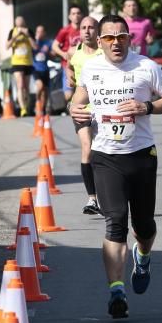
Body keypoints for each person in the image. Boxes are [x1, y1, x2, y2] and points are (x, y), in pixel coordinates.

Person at [70, 15, 162, 319]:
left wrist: (147, 107)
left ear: (130, 39)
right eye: (109, 38)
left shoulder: (145, 66)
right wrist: (74, 108)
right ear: (99, 42)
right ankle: (116, 290)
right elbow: (78, 99)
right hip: (105, 156)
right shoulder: (91, 67)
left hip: (142, 154)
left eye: (121, 37)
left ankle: (142, 257)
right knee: (115, 221)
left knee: (143, 225)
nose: (115, 43)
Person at [65, 15, 102, 215]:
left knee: (102, 150)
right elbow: (69, 67)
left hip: (104, 109)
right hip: (81, 109)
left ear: (97, 31)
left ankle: (107, 193)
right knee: (87, 147)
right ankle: (92, 199)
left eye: (91, 27)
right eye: (83, 27)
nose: (87, 31)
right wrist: (69, 79)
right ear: (79, 31)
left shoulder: (104, 53)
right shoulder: (74, 52)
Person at [52, 5, 85, 97]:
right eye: (73, 14)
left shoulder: (85, 29)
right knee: (68, 95)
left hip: (83, 64)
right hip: (68, 64)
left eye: (78, 13)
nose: (76, 16)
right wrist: (63, 54)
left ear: (82, 15)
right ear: (69, 16)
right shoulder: (65, 30)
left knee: (83, 92)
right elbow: (54, 46)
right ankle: (71, 108)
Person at [6, 16, 35, 116]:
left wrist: (28, 35)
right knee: (20, 85)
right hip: (17, 63)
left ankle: (26, 107)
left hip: (27, 62)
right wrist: (15, 36)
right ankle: (22, 108)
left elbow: (35, 46)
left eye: (21, 21)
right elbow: (7, 46)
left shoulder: (29, 31)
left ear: (24, 22)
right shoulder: (12, 32)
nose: (20, 22)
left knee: (26, 87)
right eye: (18, 21)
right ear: (15, 23)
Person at [32, 25, 53, 114]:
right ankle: (36, 102)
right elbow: (33, 48)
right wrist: (36, 40)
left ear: (44, 33)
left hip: (45, 69)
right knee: (40, 86)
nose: (39, 33)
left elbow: (52, 54)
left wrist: (51, 52)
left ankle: (42, 108)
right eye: (38, 31)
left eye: (41, 31)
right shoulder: (33, 42)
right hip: (36, 69)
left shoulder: (48, 43)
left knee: (45, 91)